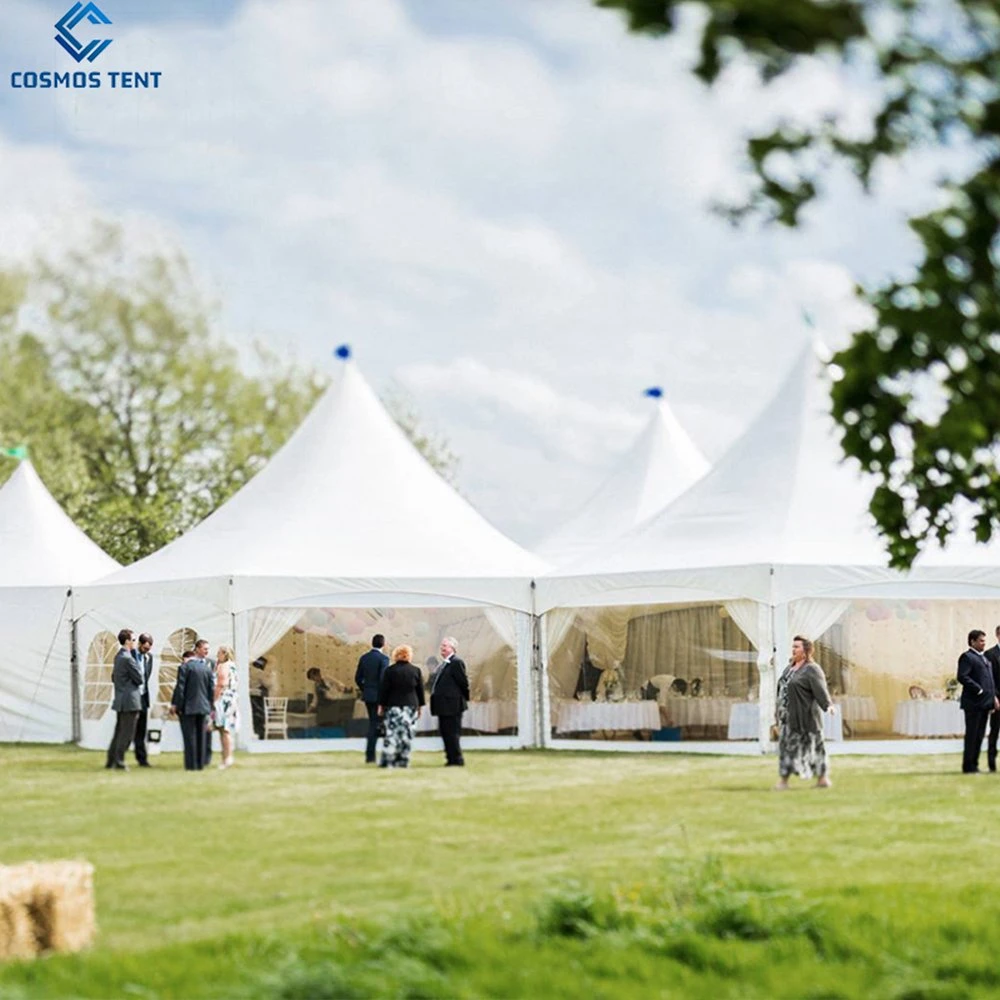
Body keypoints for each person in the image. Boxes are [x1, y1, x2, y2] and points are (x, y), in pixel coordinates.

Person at [774, 636, 833, 790]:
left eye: (797, 647)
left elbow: (821, 690)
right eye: (792, 647)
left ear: (806, 650)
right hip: (788, 717)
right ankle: (783, 781)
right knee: (786, 748)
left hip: (807, 717)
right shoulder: (789, 668)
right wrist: (777, 718)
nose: (793, 649)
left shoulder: (812, 669)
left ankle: (822, 778)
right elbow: (781, 692)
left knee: (815, 747)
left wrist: (828, 705)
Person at [377, 644, 425, 768]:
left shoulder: (389, 671)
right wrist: (420, 707)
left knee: (392, 734)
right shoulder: (416, 671)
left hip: (393, 706)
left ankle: (389, 760)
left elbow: (384, 690)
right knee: (407, 734)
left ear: (395, 655)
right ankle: (403, 760)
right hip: (410, 706)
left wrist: (381, 706)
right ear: (409, 656)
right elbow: (420, 691)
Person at [957, 629, 998, 775]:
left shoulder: (984, 658)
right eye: (981, 641)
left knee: (980, 735)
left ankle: (974, 765)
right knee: (972, 735)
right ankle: (968, 766)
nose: (984, 643)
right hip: (973, 704)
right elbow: (962, 676)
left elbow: (991, 681)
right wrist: (979, 690)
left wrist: (992, 699)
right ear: (972, 641)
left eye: (984, 641)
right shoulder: (967, 657)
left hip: (985, 704)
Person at [170, 643, 215, 771]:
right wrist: (210, 706)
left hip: (188, 708)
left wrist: (177, 705)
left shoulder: (185, 667)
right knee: (202, 736)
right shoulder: (207, 669)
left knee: (189, 737)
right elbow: (210, 689)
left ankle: (191, 765)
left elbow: (180, 688)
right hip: (203, 707)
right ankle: (200, 764)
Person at [105, 629, 143, 771]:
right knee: (126, 734)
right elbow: (139, 678)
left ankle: (111, 760)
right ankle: (119, 761)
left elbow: (114, 677)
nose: (135, 643)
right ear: (127, 641)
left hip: (121, 698)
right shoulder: (128, 658)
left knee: (118, 732)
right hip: (130, 701)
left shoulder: (118, 656)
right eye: (133, 640)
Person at [430, 636, 470, 767]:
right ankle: (450, 758)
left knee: (452, 733)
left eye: (445, 646)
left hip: (452, 705)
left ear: (453, 648)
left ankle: (457, 759)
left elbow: (463, 683)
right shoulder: (444, 664)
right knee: (445, 732)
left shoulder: (456, 662)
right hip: (443, 705)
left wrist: (462, 699)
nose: (442, 648)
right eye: (441, 646)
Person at [355, 634, 389, 764]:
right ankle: (381, 755)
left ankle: (371, 756)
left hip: (369, 696)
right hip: (380, 698)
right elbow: (383, 680)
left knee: (373, 724)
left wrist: (366, 689)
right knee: (381, 725)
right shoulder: (384, 659)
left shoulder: (364, 658)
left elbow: (358, 678)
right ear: (383, 644)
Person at [213, 645, 239, 770]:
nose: (217, 655)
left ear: (224, 654)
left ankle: (227, 757)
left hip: (223, 700)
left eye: (219, 653)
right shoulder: (233, 666)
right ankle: (226, 756)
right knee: (225, 729)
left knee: (224, 730)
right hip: (231, 699)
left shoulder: (223, 666)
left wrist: (214, 699)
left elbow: (221, 684)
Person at [132, 633, 154, 767]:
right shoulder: (130, 656)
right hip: (132, 696)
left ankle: (142, 758)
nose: (147, 651)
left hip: (143, 697)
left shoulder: (149, 658)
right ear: (139, 644)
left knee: (142, 729)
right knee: (128, 729)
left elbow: (147, 676)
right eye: (145, 648)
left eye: (149, 649)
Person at [986, 626, 1000, 772]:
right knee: (995, 730)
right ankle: (992, 762)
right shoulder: (990, 654)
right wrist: (994, 697)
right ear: (997, 634)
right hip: (998, 700)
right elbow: (989, 680)